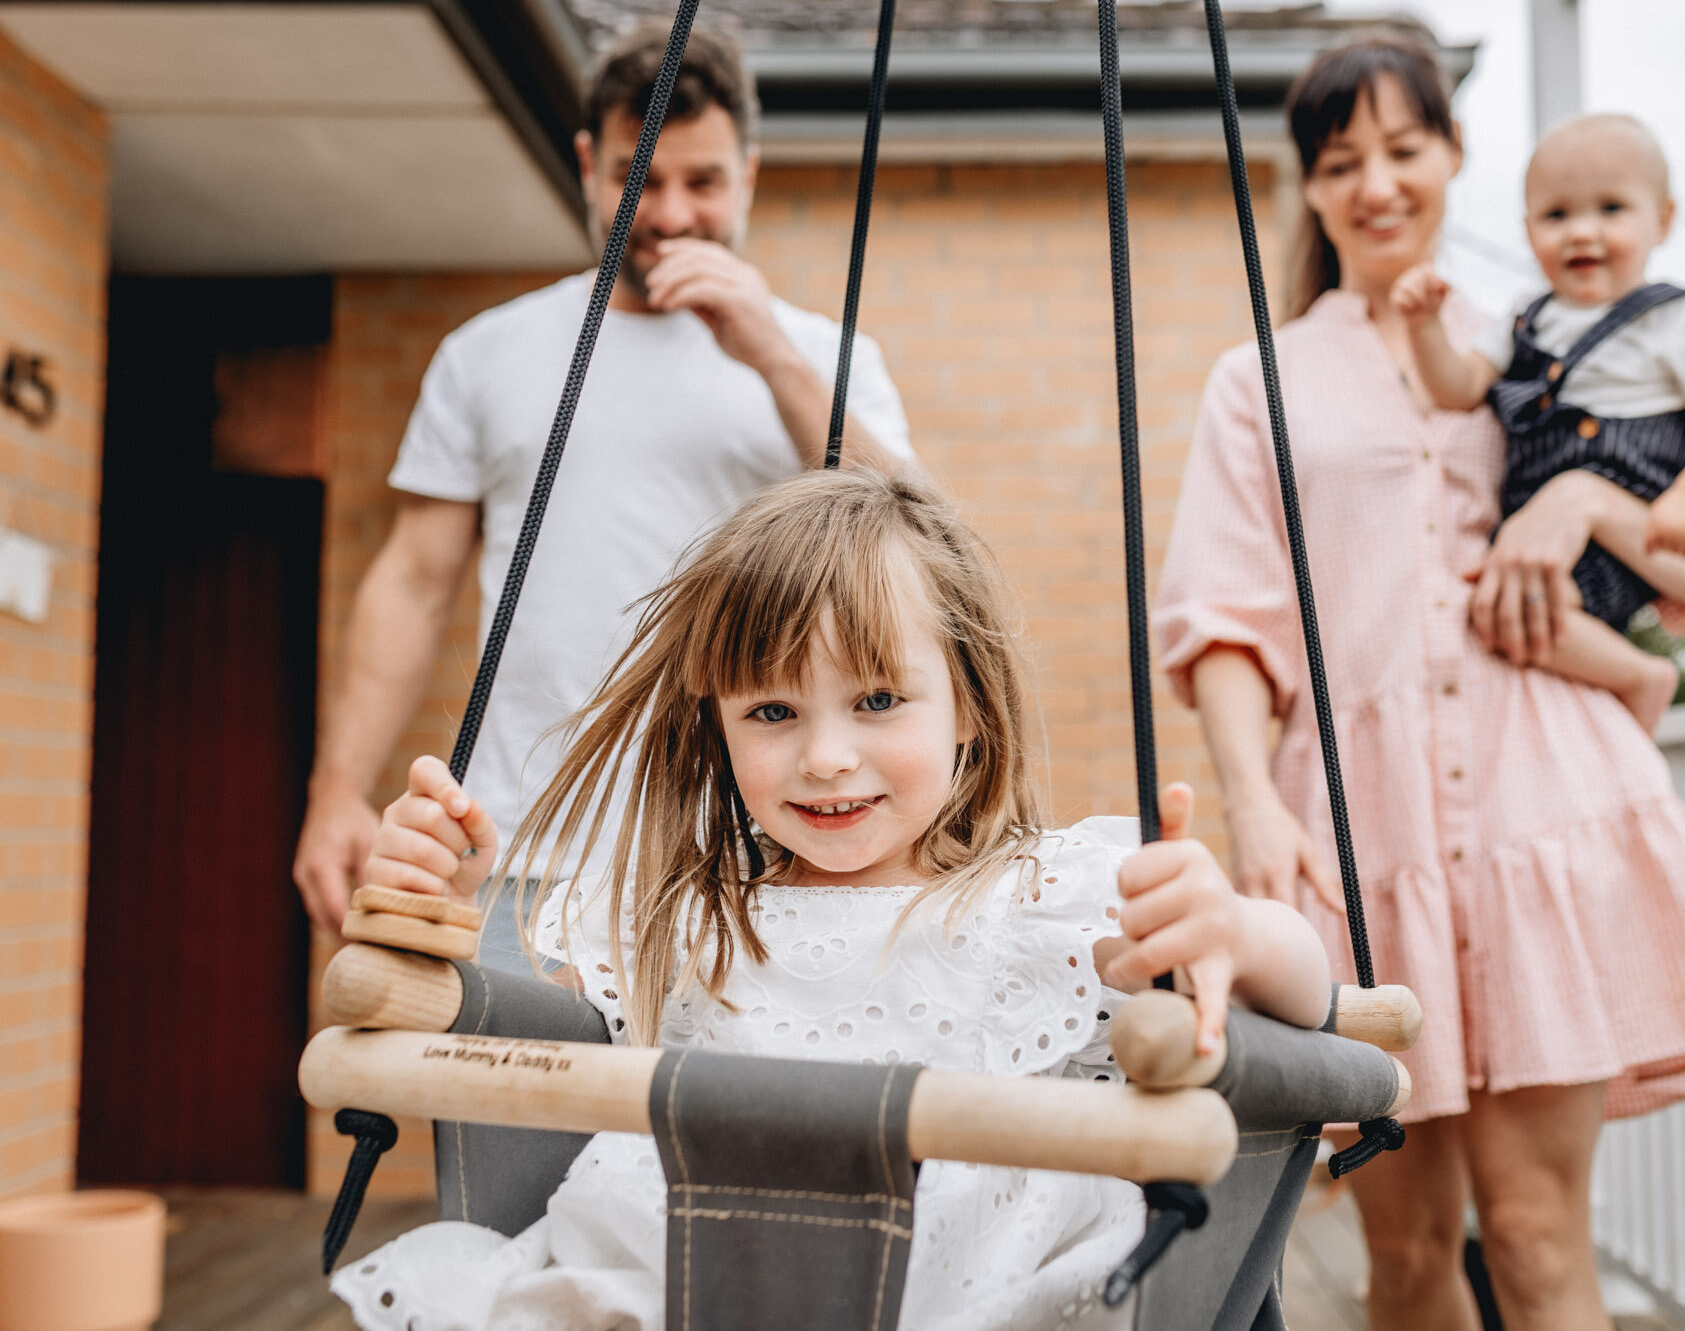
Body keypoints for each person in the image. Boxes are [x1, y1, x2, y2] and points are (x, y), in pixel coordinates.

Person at [330, 469, 1336, 1330]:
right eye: (771, 709)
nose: (822, 756)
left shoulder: (1041, 897)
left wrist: (1234, 931)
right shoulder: (682, 918)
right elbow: (524, 1036)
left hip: (965, 1292)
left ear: (970, 710)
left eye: (877, 701)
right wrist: (438, 901)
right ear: (716, 727)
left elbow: (1316, 998)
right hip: (688, 1280)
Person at [1153, 30, 1685, 1331]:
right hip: (1363, 840)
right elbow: (1223, 617)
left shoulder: (1538, 352)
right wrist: (1258, 810)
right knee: (1410, 1250)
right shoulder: (1258, 382)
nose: (1377, 183)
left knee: (1542, 1237)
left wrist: (1587, 501)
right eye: (1342, 161)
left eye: (1404, 148)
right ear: (1310, 189)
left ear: (1452, 157)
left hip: (1540, 810)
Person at [290, 26, 915, 956]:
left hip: (754, 858)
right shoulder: (488, 354)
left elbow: (921, 546)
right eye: (639, 177)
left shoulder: (824, 358)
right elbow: (414, 583)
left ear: (748, 171)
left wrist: (769, 358)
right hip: (520, 853)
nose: (668, 214)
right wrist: (335, 789)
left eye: (701, 182)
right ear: (589, 166)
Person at [1391, 112, 1685, 731]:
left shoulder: (1683, 318)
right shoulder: (1525, 317)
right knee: (1506, 607)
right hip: (1544, 534)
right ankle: (1633, 677)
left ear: (1662, 220)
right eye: (1557, 216)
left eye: (1611, 209)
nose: (1581, 233)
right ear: (1528, 229)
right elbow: (1458, 389)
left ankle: (1640, 679)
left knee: (1516, 607)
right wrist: (1425, 329)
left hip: (1641, 510)